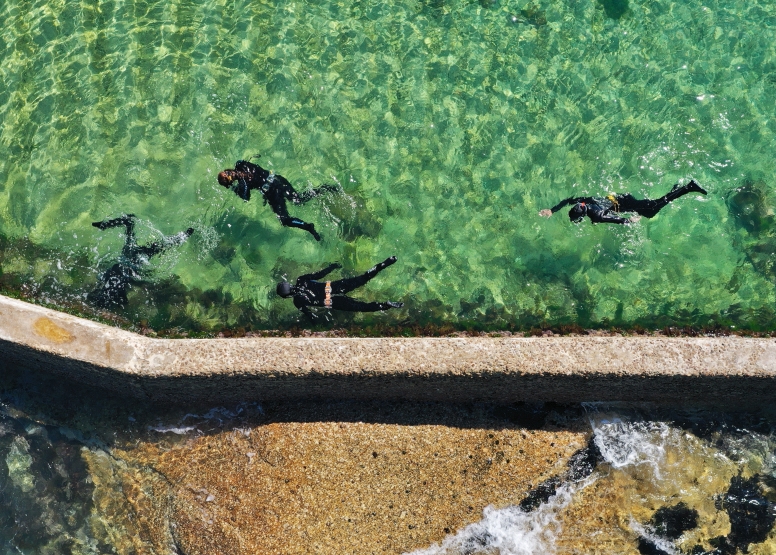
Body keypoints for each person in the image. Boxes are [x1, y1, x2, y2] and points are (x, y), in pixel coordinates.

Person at [87, 214, 193, 308]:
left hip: (136, 260)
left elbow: (137, 284)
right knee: (134, 233)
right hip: (128, 256)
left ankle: (183, 236)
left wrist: (148, 279)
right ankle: (183, 236)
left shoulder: (120, 284)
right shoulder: (107, 278)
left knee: (157, 246)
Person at [218, 159, 338, 241]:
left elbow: (246, 197)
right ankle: (325, 188)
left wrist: (234, 188)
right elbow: (247, 166)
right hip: (277, 179)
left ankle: (308, 227)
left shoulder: (243, 184)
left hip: (272, 192)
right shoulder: (240, 164)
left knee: (284, 220)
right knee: (298, 200)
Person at [277, 256, 404, 316]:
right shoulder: (301, 280)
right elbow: (320, 274)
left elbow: (310, 314)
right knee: (363, 278)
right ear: (289, 284)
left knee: (363, 307)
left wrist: (314, 321)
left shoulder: (297, 302)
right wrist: (332, 267)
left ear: (287, 296)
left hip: (333, 301)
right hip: (334, 287)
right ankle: (383, 264)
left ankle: (386, 305)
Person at [539, 180, 708, 224]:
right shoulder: (583, 202)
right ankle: (674, 190)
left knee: (651, 211)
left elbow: (616, 220)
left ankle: (688, 187)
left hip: (625, 205)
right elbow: (568, 200)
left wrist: (630, 220)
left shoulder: (596, 216)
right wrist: (553, 210)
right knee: (652, 205)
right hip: (620, 198)